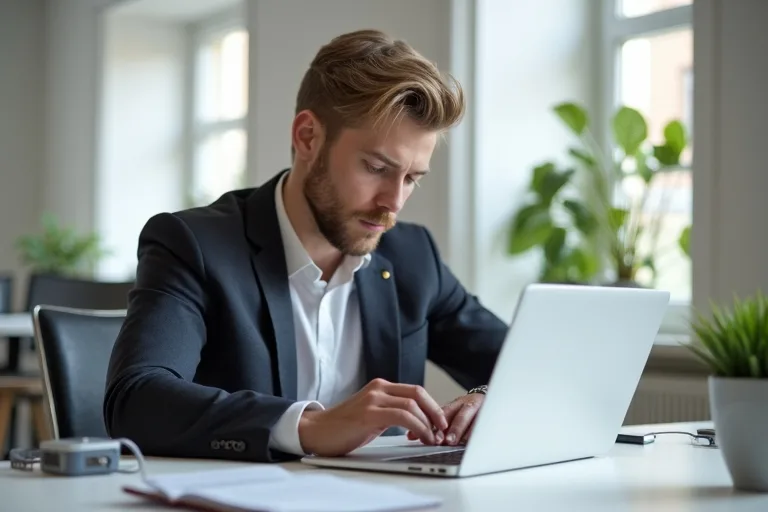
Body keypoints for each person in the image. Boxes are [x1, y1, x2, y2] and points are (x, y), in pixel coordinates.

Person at [104, 29, 507, 463]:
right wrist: (310, 426)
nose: (393, 202)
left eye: (411, 178)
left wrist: (490, 396)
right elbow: (136, 399)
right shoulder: (196, 246)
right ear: (308, 137)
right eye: (375, 167)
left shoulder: (412, 256)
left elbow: (529, 364)